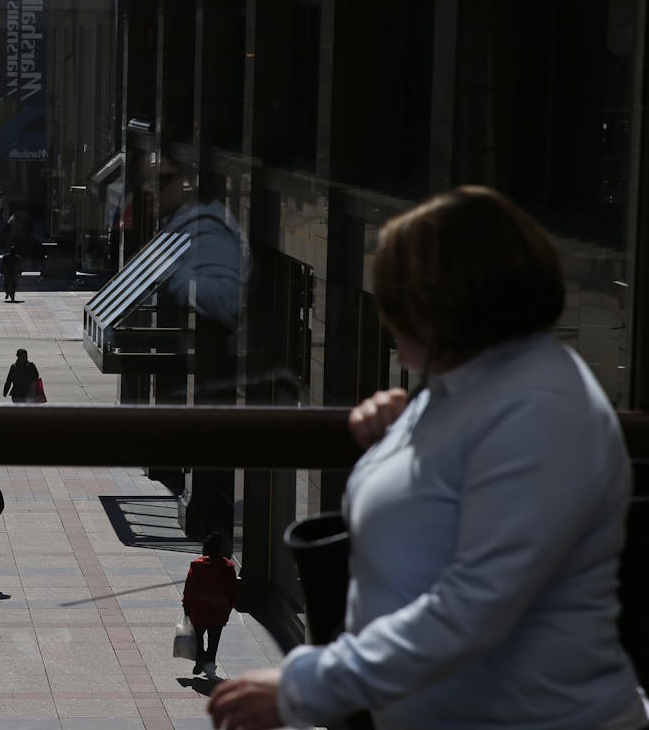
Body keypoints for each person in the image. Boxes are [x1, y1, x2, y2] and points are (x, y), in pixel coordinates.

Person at [208, 185, 649, 730]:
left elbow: (475, 606)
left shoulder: (542, 410)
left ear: (448, 303)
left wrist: (309, 686)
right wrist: (400, 435)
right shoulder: (467, 385)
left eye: (397, 297)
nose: (385, 314)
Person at [183, 531, 238, 677]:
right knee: (214, 640)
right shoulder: (228, 567)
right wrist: (228, 607)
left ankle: (200, 658)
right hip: (218, 610)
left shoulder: (197, 566)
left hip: (199, 609)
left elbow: (190, 588)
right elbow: (232, 590)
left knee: (198, 637)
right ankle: (210, 663)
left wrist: (186, 606)